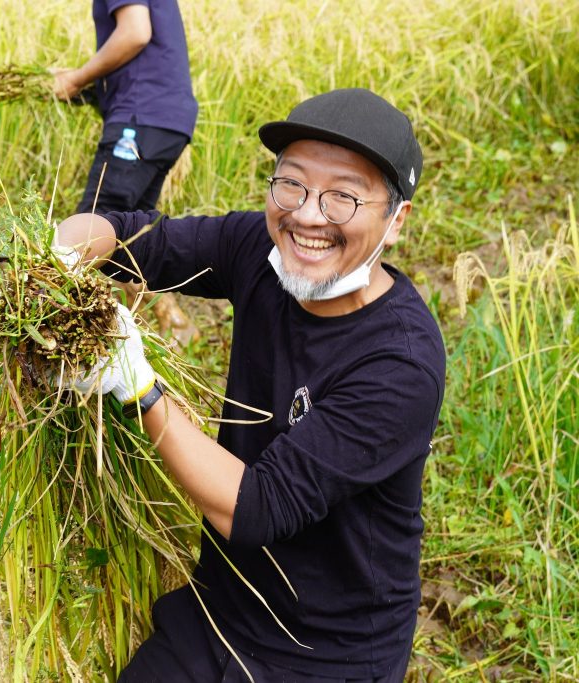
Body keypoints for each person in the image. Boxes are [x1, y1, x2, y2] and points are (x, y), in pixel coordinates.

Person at [55, 88, 445, 681]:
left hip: (326, 652)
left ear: (395, 222)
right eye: (292, 184)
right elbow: (133, 237)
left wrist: (137, 387)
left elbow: (257, 508)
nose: (309, 215)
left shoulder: (399, 365)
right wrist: (53, 262)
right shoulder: (260, 251)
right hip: (220, 609)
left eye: (344, 195)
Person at [52, 0, 199, 342]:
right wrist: (79, 86)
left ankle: (60, 343)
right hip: (166, 122)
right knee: (129, 235)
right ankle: (172, 322)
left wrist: (76, 77)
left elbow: (135, 32)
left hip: (140, 118)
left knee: (90, 229)